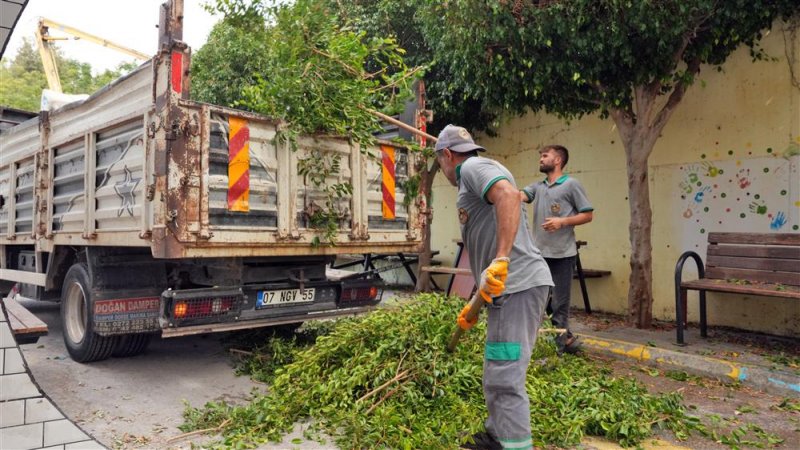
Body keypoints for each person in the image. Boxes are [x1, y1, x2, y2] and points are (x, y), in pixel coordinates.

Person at [435, 124, 553, 450]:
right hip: (508, 290)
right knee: (497, 369)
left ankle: (514, 444)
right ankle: (497, 435)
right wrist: (476, 299)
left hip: (516, 287)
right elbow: (487, 238)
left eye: (439, 162)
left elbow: (508, 196)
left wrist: (501, 259)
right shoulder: (476, 173)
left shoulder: (472, 168)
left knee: (504, 378)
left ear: (446, 155)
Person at [520, 145, 593, 355]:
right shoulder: (538, 187)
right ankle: (567, 338)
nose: (541, 159)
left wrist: (562, 221)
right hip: (539, 255)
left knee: (560, 303)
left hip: (563, 254)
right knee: (542, 300)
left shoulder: (571, 185)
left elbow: (588, 215)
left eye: (545, 156)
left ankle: (557, 352)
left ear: (558, 160)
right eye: (541, 156)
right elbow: (519, 195)